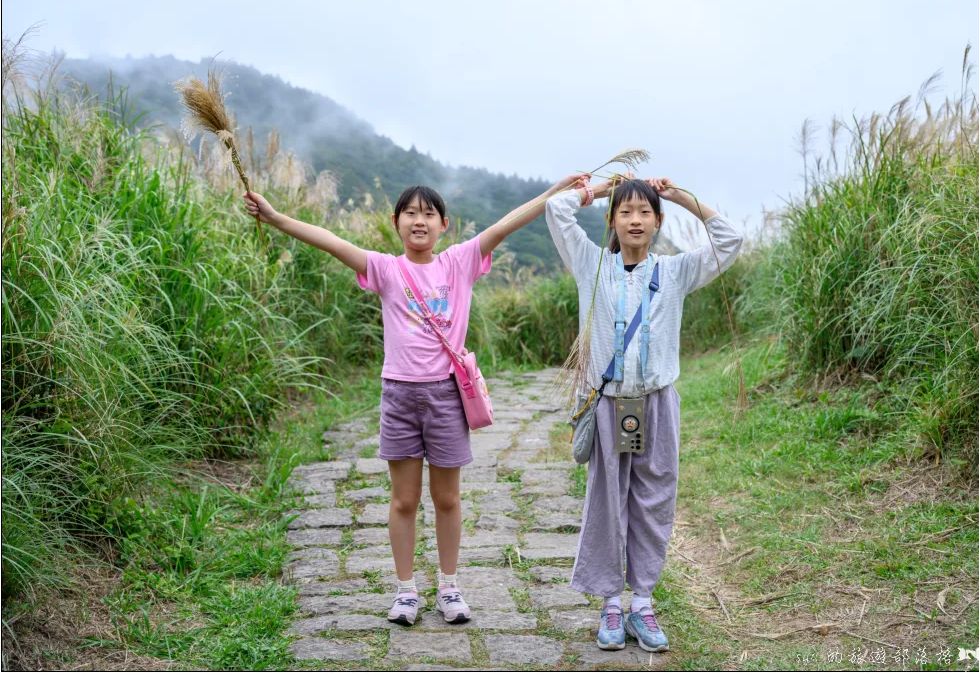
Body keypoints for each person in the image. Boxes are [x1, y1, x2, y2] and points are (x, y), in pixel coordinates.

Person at [244, 174, 585, 625]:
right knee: (403, 500)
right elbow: (330, 241)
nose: (419, 221)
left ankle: (448, 586)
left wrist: (553, 193)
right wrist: (276, 218)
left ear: (445, 224)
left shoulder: (459, 263)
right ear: (396, 222)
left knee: (447, 499)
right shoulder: (385, 269)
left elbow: (505, 225)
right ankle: (406, 591)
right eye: (410, 213)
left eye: (428, 214)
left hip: (446, 395)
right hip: (400, 396)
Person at [544, 173, 744, 651]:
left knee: (654, 498)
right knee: (608, 499)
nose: (635, 220)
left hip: (656, 402)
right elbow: (557, 211)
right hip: (610, 402)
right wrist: (591, 190)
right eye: (626, 211)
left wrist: (679, 196)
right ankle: (611, 602)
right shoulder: (590, 265)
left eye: (645, 212)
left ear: (657, 222)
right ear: (612, 220)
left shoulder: (675, 271)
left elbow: (730, 240)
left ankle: (643, 603)